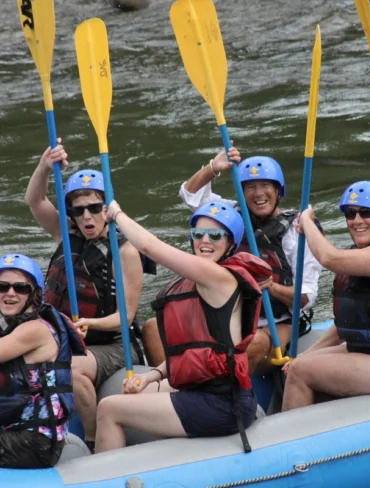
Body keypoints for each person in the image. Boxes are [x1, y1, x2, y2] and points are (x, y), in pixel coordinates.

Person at [95, 200, 272, 453]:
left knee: (108, 409)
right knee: (131, 397)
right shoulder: (202, 282)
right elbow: (198, 350)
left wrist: (117, 215)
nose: (205, 241)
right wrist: (150, 376)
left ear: (230, 243)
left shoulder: (219, 277)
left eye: (215, 235)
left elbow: (148, 246)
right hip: (208, 393)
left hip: (222, 404)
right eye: (198, 234)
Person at [143, 147, 322, 372]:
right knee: (152, 328)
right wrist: (213, 168)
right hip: (222, 315)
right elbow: (190, 195)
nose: (258, 194)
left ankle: (215, 393)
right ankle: (173, 388)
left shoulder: (298, 229)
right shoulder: (230, 214)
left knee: (251, 342)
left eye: (265, 185)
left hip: (273, 325)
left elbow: (306, 297)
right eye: (250, 187)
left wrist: (271, 287)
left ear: (278, 190)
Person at [25, 141, 153, 452]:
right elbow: (35, 199)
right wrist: (44, 165)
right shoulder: (65, 234)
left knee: (70, 369)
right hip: (64, 338)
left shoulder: (124, 250)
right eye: (79, 210)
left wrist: (89, 322)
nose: (87, 216)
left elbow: (128, 316)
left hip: (112, 346)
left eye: (95, 207)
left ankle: (95, 441)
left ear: (107, 208)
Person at [282, 181, 370, 411]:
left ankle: (287, 444)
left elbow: (329, 258)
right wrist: (307, 354)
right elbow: (346, 325)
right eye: (350, 214)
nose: (357, 220)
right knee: (300, 363)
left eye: (367, 213)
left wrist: (306, 221)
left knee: (300, 372)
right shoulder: (361, 255)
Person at [0, 253, 86, 468]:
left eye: (20, 288)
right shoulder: (15, 329)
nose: (9, 293)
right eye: (2, 287)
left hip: (33, 443)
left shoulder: (34, 330)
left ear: (35, 295)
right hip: (16, 432)